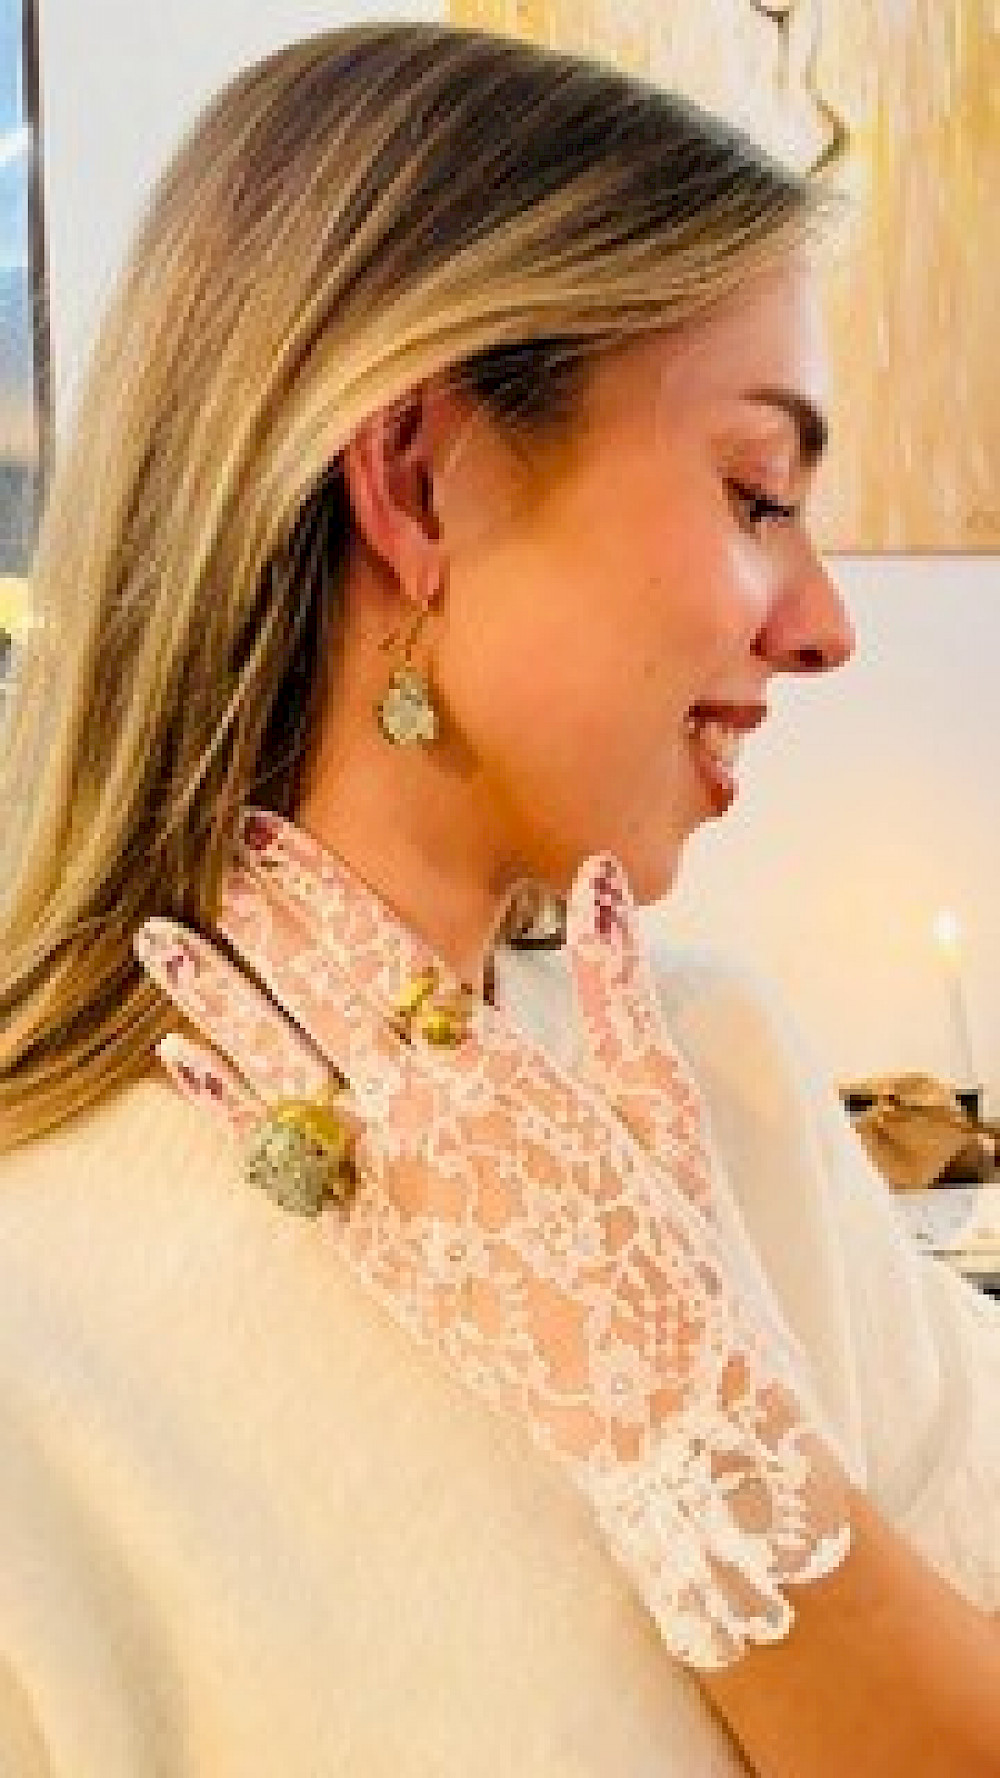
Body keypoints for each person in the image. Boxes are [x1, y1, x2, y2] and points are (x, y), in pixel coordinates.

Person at [0, 21, 998, 1776]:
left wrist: (702, 1438)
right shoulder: (41, 1325)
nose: (827, 623)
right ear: (418, 481)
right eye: (756, 492)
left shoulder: (729, 1070)